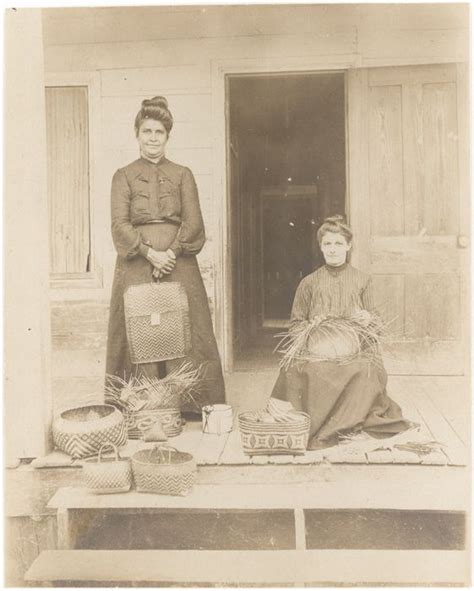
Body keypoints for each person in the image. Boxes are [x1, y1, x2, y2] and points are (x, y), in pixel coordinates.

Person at [105, 96, 225, 410]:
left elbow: (194, 221)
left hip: (179, 261)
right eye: (147, 131)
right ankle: (141, 407)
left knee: (187, 325)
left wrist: (170, 252)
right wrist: (149, 253)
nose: (153, 138)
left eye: (159, 132)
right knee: (140, 326)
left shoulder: (183, 174)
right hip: (136, 264)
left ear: (168, 137)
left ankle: (190, 404)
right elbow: (119, 224)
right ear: (137, 135)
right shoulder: (123, 175)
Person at [271, 215, 411, 449]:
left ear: (348, 246)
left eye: (338, 244)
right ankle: (307, 425)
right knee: (294, 368)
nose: (333, 250)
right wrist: (311, 328)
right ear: (321, 247)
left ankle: (341, 427)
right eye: (327, 244)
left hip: (354, 351)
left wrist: (367, 320)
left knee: (366, 369)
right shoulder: (309, 283)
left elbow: (377, 324)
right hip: (318, 351)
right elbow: (295, 325)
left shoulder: (362, 280)